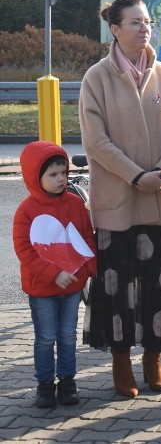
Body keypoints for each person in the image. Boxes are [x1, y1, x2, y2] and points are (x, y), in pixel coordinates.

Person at [80, 0, 161, 398]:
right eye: (134, 22)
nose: (144, 28)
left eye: (147, 21)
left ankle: (153, 358)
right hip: (119, 202)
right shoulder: (97, 78)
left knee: (158, 286)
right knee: (118, 288)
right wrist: (135, 176)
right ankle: (120, 360)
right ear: (114, 28)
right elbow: (96, 142)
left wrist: (159, 174)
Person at [13, 142, 97, 408]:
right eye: (53, 174)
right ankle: (45, 385)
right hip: (42, 290)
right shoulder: (26, 211)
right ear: (35, 177)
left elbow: (85, 239)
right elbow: (25, 250)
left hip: (72, 286)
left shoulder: (75, 204)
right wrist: (52, 274)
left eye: (64, 172)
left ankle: (68, 382)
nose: (61, 178)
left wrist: (92, 271)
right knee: (46, 337)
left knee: (67, 336)